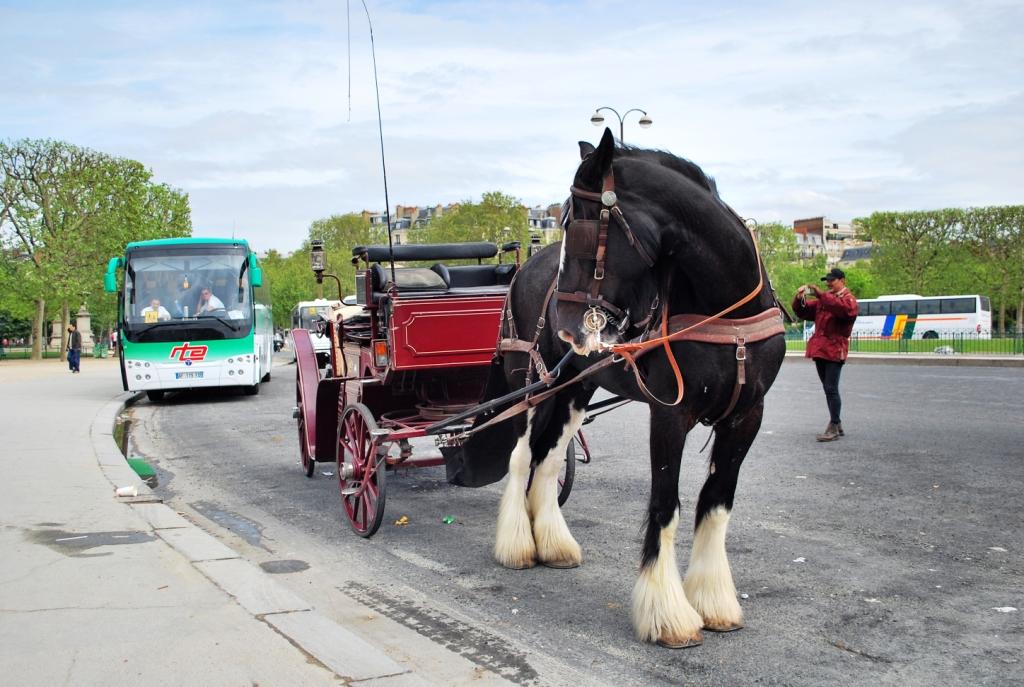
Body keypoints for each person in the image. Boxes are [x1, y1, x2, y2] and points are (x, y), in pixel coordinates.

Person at [792, 267, 859, 442]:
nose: (828, 283)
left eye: (832, 280)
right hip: (821, 349)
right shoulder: (826, 300)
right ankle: (837, 423)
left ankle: (834, 425)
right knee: (828, 389)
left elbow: (843, 310)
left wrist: (821, 294)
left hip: (835, 349)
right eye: (827, 281)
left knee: (831, 388)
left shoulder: (848, 300)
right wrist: (800, 299)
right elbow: (804, 312)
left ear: (842, 281)